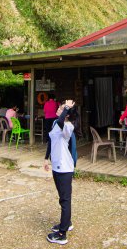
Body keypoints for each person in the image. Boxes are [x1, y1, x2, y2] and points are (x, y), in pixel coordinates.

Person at [44, 99, 77, 245]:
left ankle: (62, 234)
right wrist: (46, 158)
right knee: (61, 197)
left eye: (62, 108)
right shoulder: (55, 123)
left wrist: (67, 108)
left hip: (65, 168)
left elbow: (61, 122)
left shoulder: (68, 126)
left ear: (67, 114)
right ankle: (66, 222)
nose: (59, 108)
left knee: (65, 200)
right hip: (56, 166)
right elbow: (51, 140)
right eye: (60, 107)